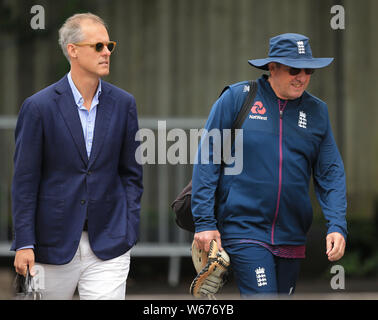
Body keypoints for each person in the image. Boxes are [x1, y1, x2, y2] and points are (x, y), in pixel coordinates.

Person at [191, 33, 347, 297]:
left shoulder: (317, 111)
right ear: (272, 67)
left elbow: (330, 172)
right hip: (244, 229)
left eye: (309, 70)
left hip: (292, 234)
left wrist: (336, 224)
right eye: (294, 69)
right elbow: (208, 157)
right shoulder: (237, 98)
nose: (302, 76)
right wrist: (204, 221)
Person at [11, 13, 143, 300]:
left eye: (109, 45)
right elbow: (25, 181)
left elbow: (131, 173)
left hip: (109, 244)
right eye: (98, 46)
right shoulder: (38, 107)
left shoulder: (123, 104)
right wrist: (24, 242)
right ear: (73, 50)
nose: (107, 52)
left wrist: (128, 228)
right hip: (50, 246)